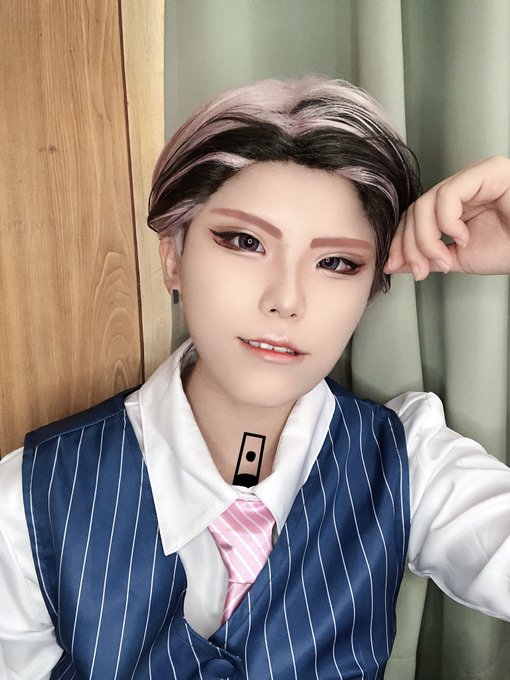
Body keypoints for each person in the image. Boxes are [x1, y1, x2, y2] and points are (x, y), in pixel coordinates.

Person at [0, 77, 509, 680]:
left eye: (336, 262)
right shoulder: (27, 500)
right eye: (244, 241)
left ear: (373, 287)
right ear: (173, 257)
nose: (286, 300)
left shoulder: (408, 464)